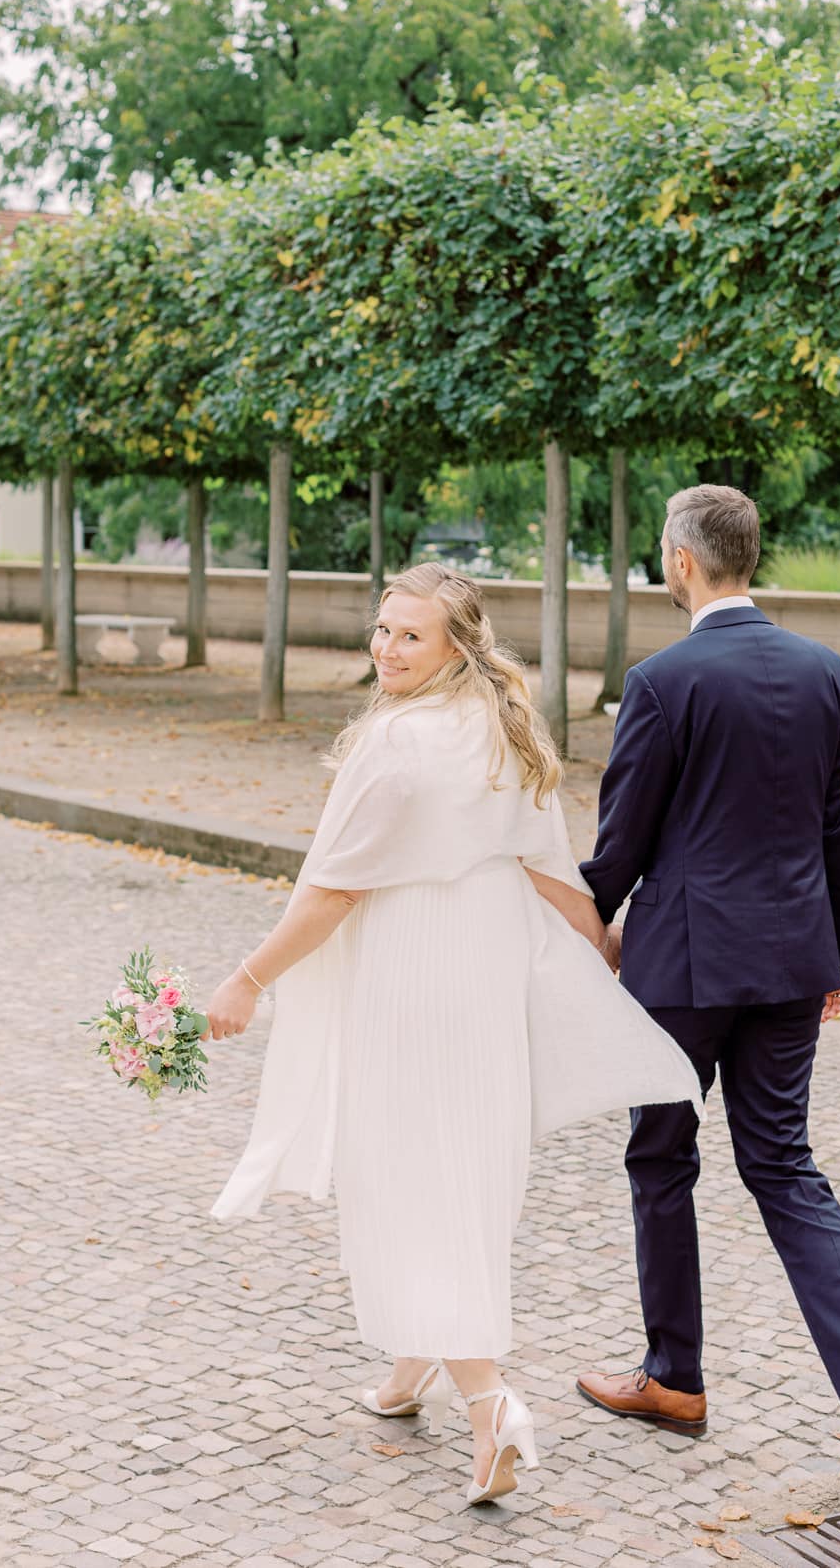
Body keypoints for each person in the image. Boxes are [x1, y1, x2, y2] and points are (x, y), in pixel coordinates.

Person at [204, 562, 702, 1505]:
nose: (387, 648)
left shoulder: (392, 745)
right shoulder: (499, 728)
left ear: (454, 646)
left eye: (410, 635)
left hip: (412, 979)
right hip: (486, 982)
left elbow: (335, 890)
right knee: (459, 1179)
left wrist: (249, 977)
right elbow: (551, 866)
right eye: (382, 628)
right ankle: (409, 1371)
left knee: (405, 1185)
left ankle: (490, 1401)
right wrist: (600, 945)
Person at [575, 485, 840, 1486]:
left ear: (682, 561)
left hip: (683, 968)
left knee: (661, 1158)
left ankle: (674, 1378)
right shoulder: (825, 670)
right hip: (793, 959)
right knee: (783, 1164)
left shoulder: (661, 681)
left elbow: (621, 849)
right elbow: (835, 824)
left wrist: (572, 912)